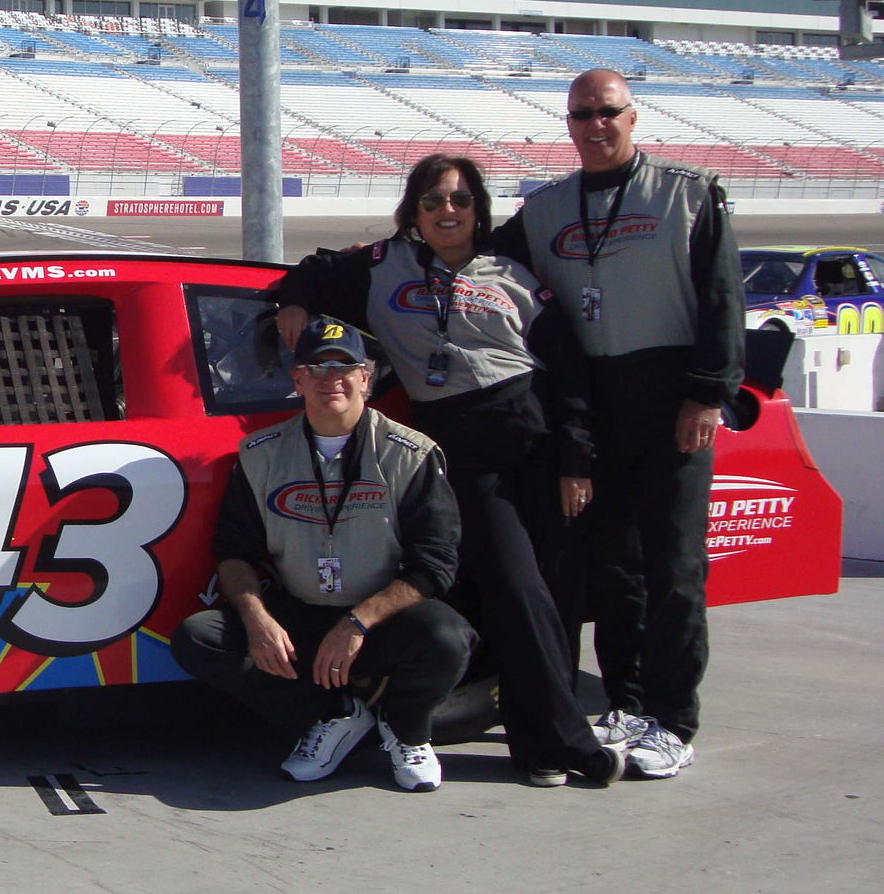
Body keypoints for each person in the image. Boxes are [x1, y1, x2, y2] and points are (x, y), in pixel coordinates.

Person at [269, 155, 627, 787]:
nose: (448, 211)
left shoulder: (514, 274)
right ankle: (572, 741)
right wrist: (295, 302)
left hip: (542, 446)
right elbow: (317, 270)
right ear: (415, 212)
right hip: (471, 456)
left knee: (554, 601)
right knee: (518, 595)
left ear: (478, 210)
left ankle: (539, 748)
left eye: (461, 201)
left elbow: (569, 373)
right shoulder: (382, 268)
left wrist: (578, 460)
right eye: (433, 201)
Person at [493, 68, 744, 780]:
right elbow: (466, 254)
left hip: (670, 397)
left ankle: (674, 718)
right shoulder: (545, 210)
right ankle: (628, 702)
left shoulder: (689, 194)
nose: (594, 125)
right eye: (580, 115)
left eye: (607, 112)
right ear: (567, 125)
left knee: (674, 565)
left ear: (633, 118)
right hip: (591, 399)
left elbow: (724, 299)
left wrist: (708, 392)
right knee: (614, 566)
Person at [170, 317, 472, 792]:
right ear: (297, 379)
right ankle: (333, 717)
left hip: (380, 621)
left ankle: (407, 728)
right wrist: (257, 620)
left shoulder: (410, 454)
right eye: (317, 367)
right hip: (300, 618)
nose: (331, 378)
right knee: (198, 637)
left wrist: (357, 622)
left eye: (344, 366)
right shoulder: (260, 454)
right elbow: (233, 553)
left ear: (365, 378)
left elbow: (436, 565)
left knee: (447, 636)